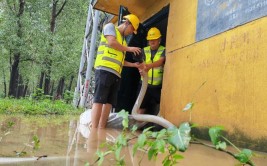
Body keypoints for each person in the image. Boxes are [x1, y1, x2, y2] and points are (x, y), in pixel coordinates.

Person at [91, 14, 142, 128]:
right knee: (99, 99)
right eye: (131, 30)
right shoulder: (110, 27)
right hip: (104, 70)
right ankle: (94, 130)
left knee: (109, 103)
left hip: (116, 74)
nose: (130, 33)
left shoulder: (123, 42)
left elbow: (121, 61)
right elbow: (111, 43)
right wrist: (129, 49)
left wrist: (134, 65)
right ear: (127, 23)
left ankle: (101, 128)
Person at [137, 27, 166, 115]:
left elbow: (161, 61)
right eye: (150, 40)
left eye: (154, 39)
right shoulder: (144, 50)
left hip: (157, 87)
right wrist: (141, 70)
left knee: (162, 107)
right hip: (144, 85)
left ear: (159, 40)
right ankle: (137, 127)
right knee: (140, 108)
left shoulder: (163, 50)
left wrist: (149, 66)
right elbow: (140, 64)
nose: (152, 42)